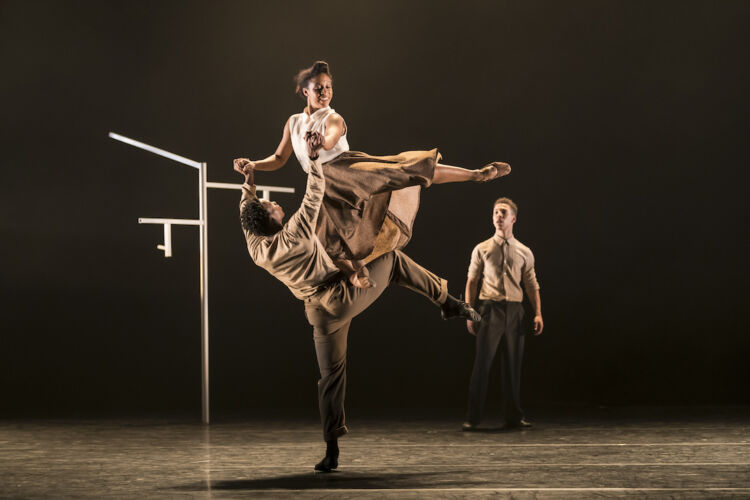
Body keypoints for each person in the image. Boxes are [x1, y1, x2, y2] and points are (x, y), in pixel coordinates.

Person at [234, 156, 481, 473]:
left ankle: (331, 450)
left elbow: (246, 210)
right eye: (272, 206)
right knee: (391, 260)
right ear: (273, 220)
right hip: (340, 297)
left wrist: (250, 181)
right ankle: (447, 301)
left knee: (330, 378)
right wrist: (312, 160)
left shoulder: (257, 247)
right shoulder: (294, 231)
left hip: (318, 314)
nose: (276, 204)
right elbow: (314, 193)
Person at [234, 60, 511, 288]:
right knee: (324, 241)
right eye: (319, 88)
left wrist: (321, 144)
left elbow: (331, 138)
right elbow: (280, 157)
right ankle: (356, 273)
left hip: (344, 170)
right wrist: (253, 165)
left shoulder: (332, 117)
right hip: (320, 184)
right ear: (305, 91)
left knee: (405, 169)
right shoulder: (293, 122)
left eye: (329, 87)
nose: (325, 93)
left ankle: (476, 174)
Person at [463, 197, 543, 431]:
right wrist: (469, 311)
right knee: (482, 365)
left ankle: (514, 417)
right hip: (490, 308)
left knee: (513, 365)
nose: (498, 216)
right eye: (495, 212)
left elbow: (531, 283)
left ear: (513, 219)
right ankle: (473, 417)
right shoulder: (483, 248)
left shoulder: (524, 251)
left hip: (515, 310)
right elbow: (472, 280)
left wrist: (537, 313)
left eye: (503, 212)